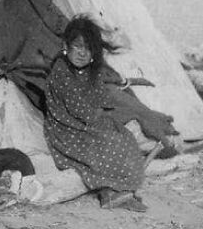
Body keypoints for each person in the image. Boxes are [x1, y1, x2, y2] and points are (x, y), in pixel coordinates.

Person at [43, 14, 147, 211]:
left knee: (124, 137)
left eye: (88, 48)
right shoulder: (61, 71)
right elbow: (76, 107)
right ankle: (108, 193)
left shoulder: (92, 70)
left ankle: (120, 191)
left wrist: (104, 116)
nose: (83, 53)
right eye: (78, 46)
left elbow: (100, 96)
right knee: (104, 144)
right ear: (66, 46)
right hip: (67, 126)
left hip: (88, 120)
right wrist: (99, 117)